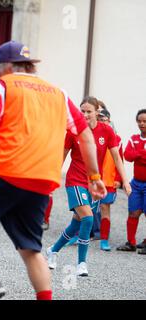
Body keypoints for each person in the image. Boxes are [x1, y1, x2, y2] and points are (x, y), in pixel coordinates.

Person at [0, 40, 106, 301]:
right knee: (31, 249)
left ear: (3, 67)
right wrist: (95, 177)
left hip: (7, 171)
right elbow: (85, 135)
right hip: (42, 180)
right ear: (29, 66)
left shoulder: (2, 86)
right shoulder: (58, 93)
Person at [47, 96, 130, 276]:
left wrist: (125, 181)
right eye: (82, 111)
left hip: (94, 184)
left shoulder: (107, 131)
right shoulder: (73, 131)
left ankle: (52, 250)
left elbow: (117, 158)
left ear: (97, 112)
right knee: (88, 219)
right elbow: (61, 156)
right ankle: (81, 264)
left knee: (76, 224)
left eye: (88, 111)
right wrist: (51, 179)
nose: (84, 114)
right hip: (75, 180)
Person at [117, 109, 146, 254]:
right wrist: (141, 153)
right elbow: (127, 155)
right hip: (136, 183)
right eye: (139, 121)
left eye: (145, 121)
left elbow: (134, 156)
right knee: (133, 213)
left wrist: (138, 155)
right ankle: (131, 243)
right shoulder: (134, 138)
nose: (142, 124)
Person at [98, 108, 123, 251]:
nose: (102, 122)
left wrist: (119, 179)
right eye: (100, 119)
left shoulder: (117, 140)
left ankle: (104, 239)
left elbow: (120, 160)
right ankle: (78, 235)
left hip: (108, 181)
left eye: (104, 120)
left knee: (104, 209)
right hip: (93, 180)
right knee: (84, 209)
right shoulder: (92, 134)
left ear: (109, 121)